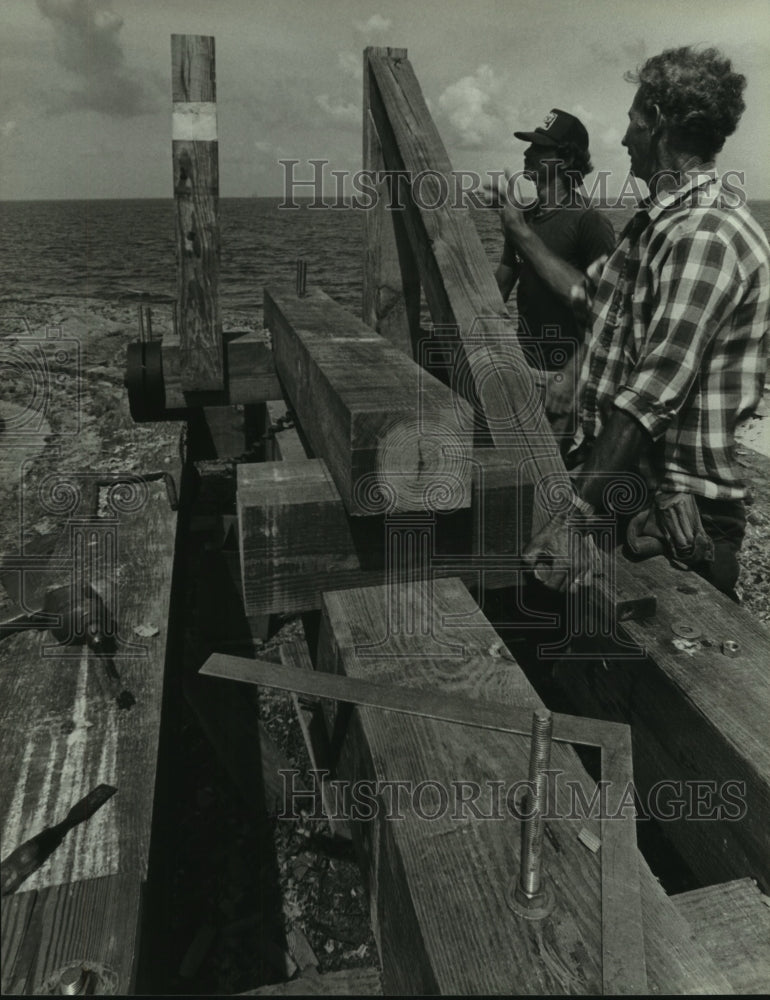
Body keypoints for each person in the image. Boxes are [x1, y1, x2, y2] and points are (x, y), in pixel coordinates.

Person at [521, 46, 770, 599]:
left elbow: (652, 393)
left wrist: (577, 514)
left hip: (681, 514)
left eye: (633, 121)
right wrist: (519, 235)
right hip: (629, 492)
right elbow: (591, 301)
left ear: (656, 121)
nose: (623, 137)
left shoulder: (703, 235)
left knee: (680, 665)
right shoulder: (655, 227)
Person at [494, 109, 615, 450]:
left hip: (563, 380)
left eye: (538, 149)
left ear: (563, 160)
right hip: (522, 369)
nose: (526, 154)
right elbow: (499, 287)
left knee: (549, 477)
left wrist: (574, 374)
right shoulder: (523, 219)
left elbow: (610, 313)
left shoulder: (590, 223)